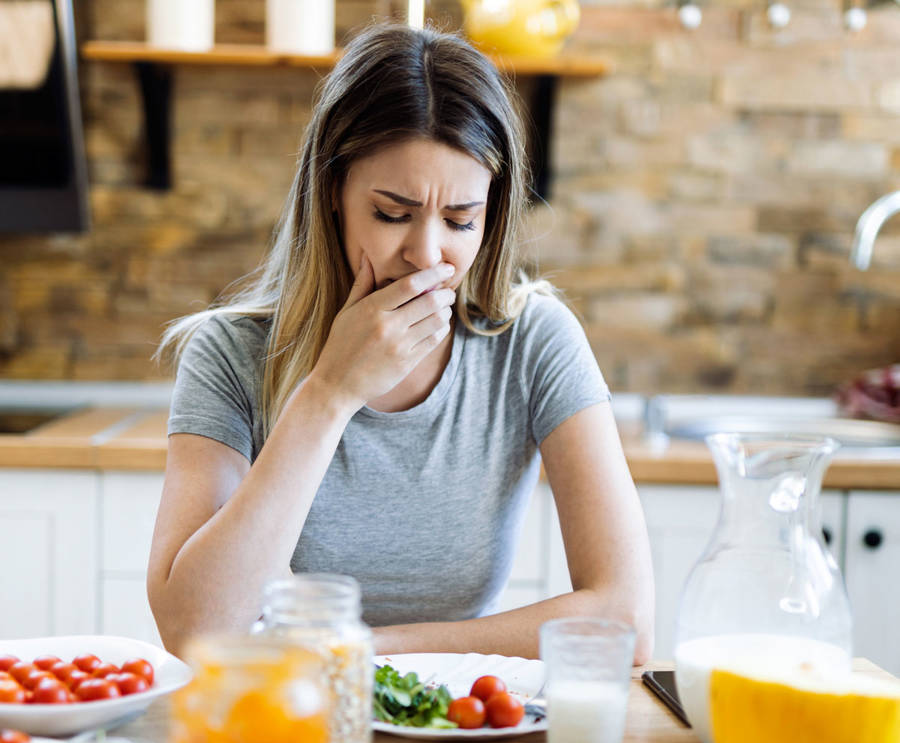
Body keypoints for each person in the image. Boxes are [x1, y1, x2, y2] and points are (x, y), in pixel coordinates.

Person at [147, 23, 654, 662]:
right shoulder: (228, 353)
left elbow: (627, 620)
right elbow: (194, 631)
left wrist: (363, 650)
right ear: (333, 193)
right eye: (392, 214)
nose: (426, 254)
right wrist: (329, 392)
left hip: (460, 724)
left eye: (461, 220)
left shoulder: (533, 343)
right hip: (282, 724)